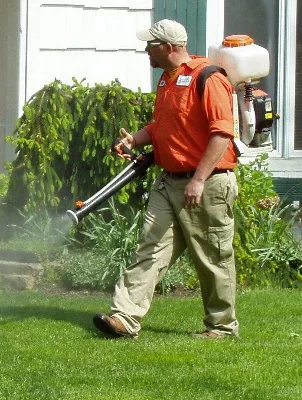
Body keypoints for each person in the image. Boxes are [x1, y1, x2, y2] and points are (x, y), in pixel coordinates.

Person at [92, 19, 240, 340]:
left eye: (151, 45)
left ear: (169, 47)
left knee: (212, 258)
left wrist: (198, 180)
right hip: (169, 182)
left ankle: (221, 327)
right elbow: (162, 126)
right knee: (150, 248)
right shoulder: (167, 80)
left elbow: (222, 134)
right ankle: (124, 318)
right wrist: (134, 140)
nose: (146, 50)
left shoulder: (208, 78)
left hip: (207, 183)